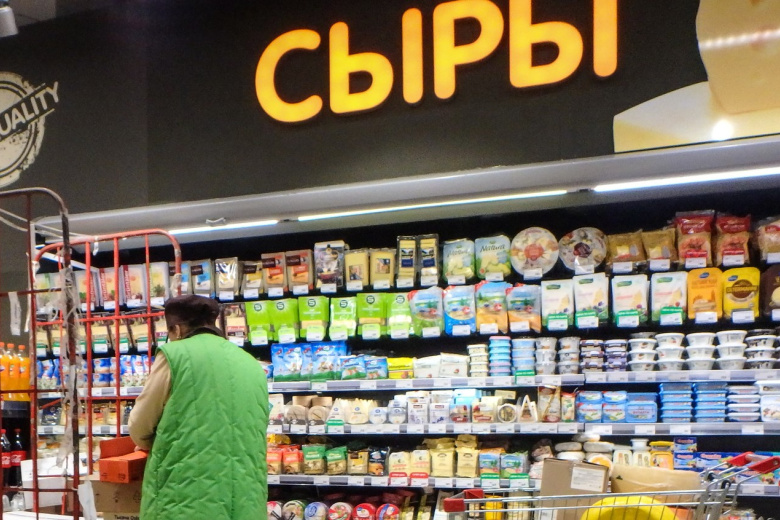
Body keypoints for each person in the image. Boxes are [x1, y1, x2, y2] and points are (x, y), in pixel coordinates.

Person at [129, 295, 269, 520]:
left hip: (187, 497)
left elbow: (140, 424)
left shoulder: (175, 355)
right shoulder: (250, 362)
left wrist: (148, 442)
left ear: (176, 329)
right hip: (245, 499)